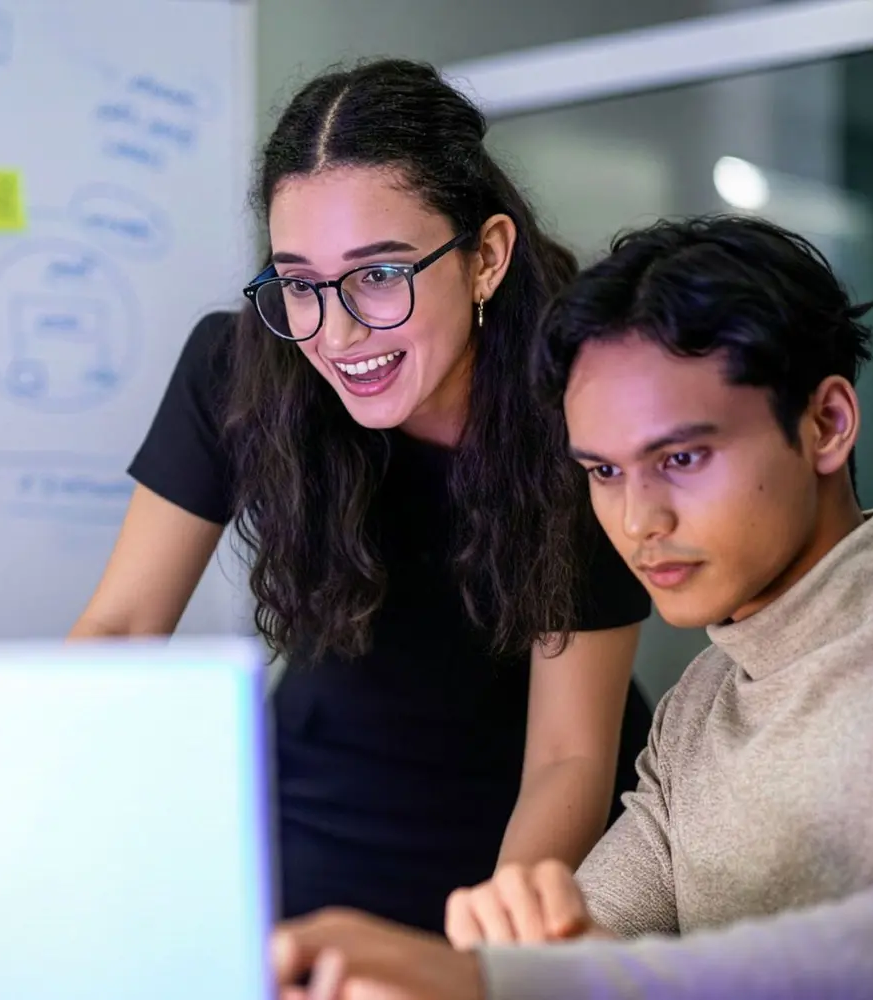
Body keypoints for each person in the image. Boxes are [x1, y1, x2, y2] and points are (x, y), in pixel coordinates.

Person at [271, 215, 873, 999]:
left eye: (682, 458)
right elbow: (586, 948)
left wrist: (507, 980)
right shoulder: (698, 707)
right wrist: (506, 954)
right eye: (603, 471)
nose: (638, 522)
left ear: (826, 423)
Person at [69, 58, 652, 934]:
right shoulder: (238, 370)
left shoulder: (582, 406)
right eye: (300, 282)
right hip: (305, 828)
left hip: (524, 852)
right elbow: (119, 631)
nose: (336, 333)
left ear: (486, 257)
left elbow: (568, 759)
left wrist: (487, 958)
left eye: (380, 275)